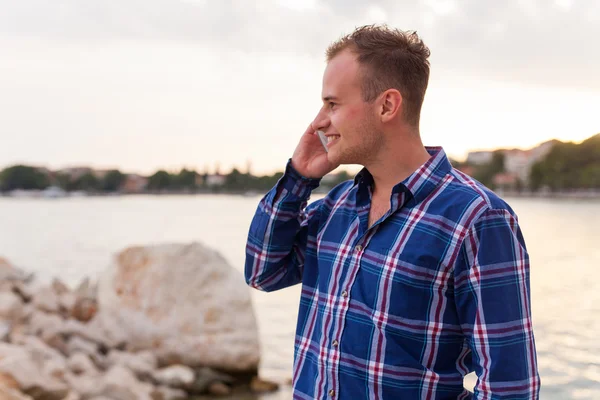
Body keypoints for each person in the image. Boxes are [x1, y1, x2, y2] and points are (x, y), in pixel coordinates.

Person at [245, 24, 540, 399]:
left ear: (387, 105)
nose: (318, 122)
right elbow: (263, 272)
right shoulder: (338, 206)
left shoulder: (477, 219)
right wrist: (298, 180)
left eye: (332, 104)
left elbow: (510, 387)